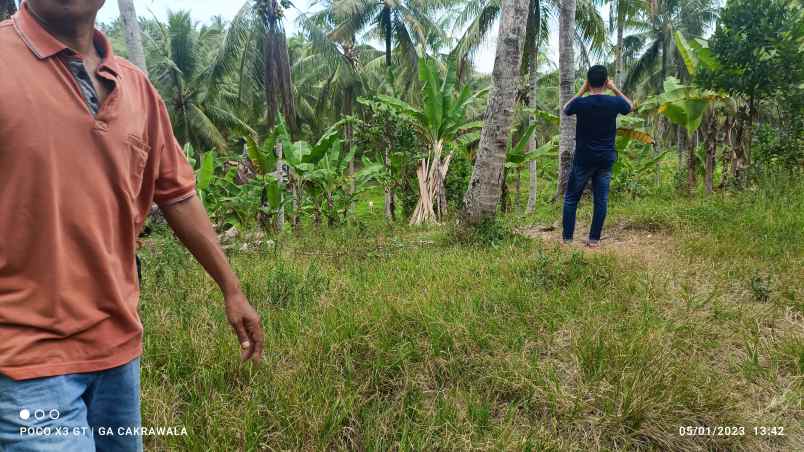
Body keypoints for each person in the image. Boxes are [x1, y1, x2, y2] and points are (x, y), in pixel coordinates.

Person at [0, 2, 265, 451]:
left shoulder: (135, 86)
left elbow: (178, 193)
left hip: (119, 349)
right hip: (22, 360)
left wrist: (231, 287)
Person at [561, 65, 634, 248]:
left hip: (584, 158)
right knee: (600, 200)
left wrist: (582, 89)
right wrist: (614, 88)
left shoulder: (581, 103)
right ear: (605, 81)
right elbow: (630, 106)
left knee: (571, 198)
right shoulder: (613, 102)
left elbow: (565, 108)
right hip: (605, 158)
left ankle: (568, 239)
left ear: (588, 81)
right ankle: (593, 240)